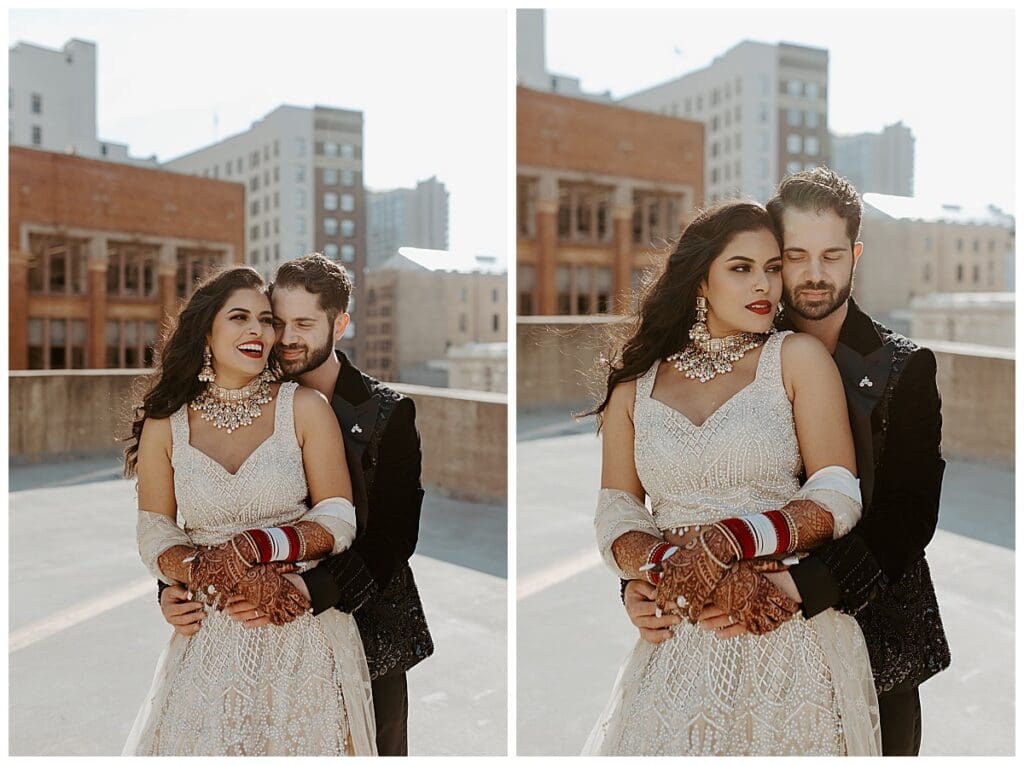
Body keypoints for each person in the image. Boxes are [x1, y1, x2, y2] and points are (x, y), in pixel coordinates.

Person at [621, 169, 949, 755]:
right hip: (725, 645)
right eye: (794, 257)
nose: (814, 274)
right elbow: (675, 488)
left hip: (876, 637)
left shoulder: (906, 368)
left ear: (856, 254)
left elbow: (908, 516)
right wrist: (640, 582)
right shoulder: (731, 346)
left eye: (831, 255)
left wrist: (801, 586)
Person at [584, 200, 881, 755]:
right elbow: (618, 512)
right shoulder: (635, 383)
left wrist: (728, 543)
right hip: (680, 631)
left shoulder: (795, 358)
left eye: (772, 268)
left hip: (781, 624)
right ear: (701, 280)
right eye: (741, 268)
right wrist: (670, 567)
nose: (764, 284)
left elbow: (836, 491)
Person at [158, 254, 432, 756]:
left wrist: (308, 590)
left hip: (368, 623)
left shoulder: (388, 413)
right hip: (250, 637)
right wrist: (172, 585)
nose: (284, 338)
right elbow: (214, 508)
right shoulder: (252, 395)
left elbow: (394, 538)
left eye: (304, 324)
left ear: (340, 324)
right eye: (277, 321)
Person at [124, 266, 376, 755]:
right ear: (206, 332)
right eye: (240, 317)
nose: (259, 331)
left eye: (266, 320)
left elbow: (338, 517)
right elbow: (155, 531)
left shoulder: (304, 407)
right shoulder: (165, 425)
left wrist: (253, 547)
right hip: (211, 634)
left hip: (299, 629)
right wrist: (205, 573)